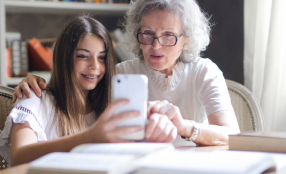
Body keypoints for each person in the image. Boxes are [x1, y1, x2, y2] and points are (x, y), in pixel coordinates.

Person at [13, 0, 240, 146]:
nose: (156, 45)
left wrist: (183, 126)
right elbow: (77, 86)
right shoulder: (120, 74)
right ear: (135, 34)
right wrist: (33, 81)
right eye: (147, 34)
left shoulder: (204, 71)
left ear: (186, 39)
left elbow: (232, 135)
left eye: (168, 36)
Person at [0, 16, 177, 167]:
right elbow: (19, 157)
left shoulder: (108, 107)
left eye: (102, 58)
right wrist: (90, 137)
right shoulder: (35, 99)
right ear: (64, 57)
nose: (95, 67)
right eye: (83, 56)